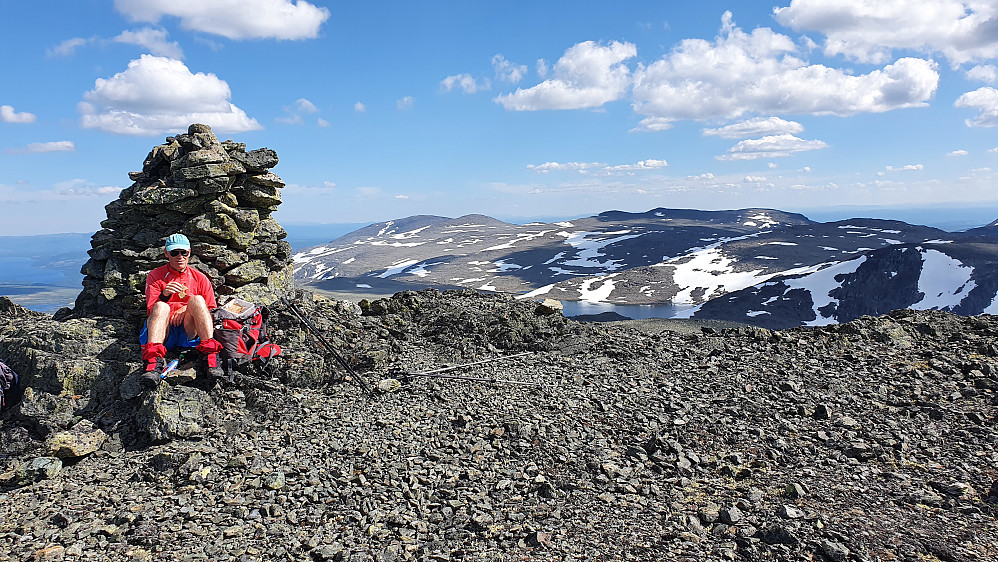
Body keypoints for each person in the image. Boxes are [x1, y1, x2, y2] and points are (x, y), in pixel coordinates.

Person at [139, 233, 224, 386]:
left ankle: (210, 355)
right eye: (174, 252)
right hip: (164, 333)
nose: (180, 256)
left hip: (189, 331)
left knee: (197, 300)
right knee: (160, 305)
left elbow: (210, 309)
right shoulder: (155, 276)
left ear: (189, 252)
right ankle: (153, 361)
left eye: (183, 252)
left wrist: (185, 309)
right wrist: (164, 295)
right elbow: (151, 310)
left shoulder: (200, 278)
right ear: (166, 253)